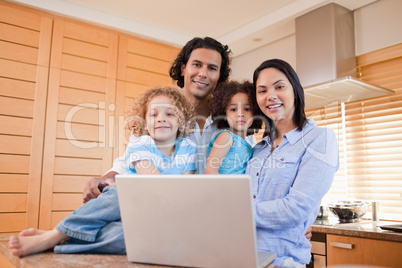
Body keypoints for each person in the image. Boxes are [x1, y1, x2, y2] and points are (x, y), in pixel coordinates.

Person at [8, 87, 197, 257]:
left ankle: (59, 236)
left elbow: (185, 186)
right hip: (128, 203)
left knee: (132, 238)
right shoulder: (141, 143)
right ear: (145, 125)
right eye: (153, 115)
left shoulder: (188, 147)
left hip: (156, 214)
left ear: (181, 122)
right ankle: (53, 236)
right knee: (116, 193)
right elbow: (153, 182)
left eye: (170, 114)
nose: (161, 118)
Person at [82, 36, 256, 202]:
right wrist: (105, 179)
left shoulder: (234, 119)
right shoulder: (159, 113)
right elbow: (131, 159)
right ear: (183, 68)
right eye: (197, 64)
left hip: (219, 208)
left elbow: (250, 166)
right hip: (162, 205)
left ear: (219, 76)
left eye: (212, 68)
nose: (203, 73)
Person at [247, 59, 339, 267]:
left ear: (295, 91)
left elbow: (296, 209)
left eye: (279, 87)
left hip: (282, 262)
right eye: (262, 91)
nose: (270, 96)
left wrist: (236, 213)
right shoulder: (257, 149)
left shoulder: (320, 139)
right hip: (243, 258)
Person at [205, 81, 262, 174]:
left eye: (247, 109)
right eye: (233, 109)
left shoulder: (249, 145)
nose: (240, 114)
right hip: (223, 188)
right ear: (224, 114)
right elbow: (210, 171)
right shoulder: (226, 137)